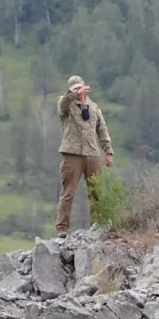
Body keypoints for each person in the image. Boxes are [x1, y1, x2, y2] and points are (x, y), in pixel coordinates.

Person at [56, 74, 113, 235]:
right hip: (72, 153)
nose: (80, 92)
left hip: (92, 153)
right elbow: (63, 104)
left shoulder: (94, 107)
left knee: (97, 192)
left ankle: (98, 226)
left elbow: (102, 130)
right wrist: (74, 95)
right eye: (75, 89)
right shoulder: (66, 104)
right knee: (68, 193)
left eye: (81, 88)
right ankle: (62, 228)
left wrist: (108, 151)